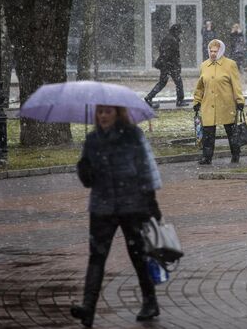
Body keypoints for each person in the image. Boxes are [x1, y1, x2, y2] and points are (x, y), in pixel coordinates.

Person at [70, 104, 163, 326]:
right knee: (97, 256)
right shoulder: (92, 140)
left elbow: (145, 169)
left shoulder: (132, 135)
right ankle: (88, 309)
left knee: (138, 254)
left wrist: (151, 204)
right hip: (102, 207)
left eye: (107, 111)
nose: (103, 116)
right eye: (100, 111)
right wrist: (83, 168)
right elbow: (88, 181)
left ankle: (150, 301)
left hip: (132, 204)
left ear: (117, 112)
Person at [193, 39, 245, 165]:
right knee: (208, 134)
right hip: (208, 104)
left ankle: (235, 155)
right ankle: (207, 157)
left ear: (221, 51)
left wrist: (239, 100)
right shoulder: (204, 65)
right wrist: (197, 101)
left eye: (215, 51)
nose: (213, 54)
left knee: (231, 132)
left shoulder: (230, 64)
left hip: (226, 104)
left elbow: (236, 84)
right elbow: (200, 86)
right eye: (211, 51)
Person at [145, 24, 188, 109]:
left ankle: (149, 97)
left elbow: (164, 51)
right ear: (176, 31)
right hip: (170, 65)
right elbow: (168, 54)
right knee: (178, 82)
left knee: (163, 83)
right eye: (179, 32)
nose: (179, 34)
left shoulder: (170, 38)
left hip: (168, 65)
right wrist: (172, 65)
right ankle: (180, 100)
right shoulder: (171, 39)